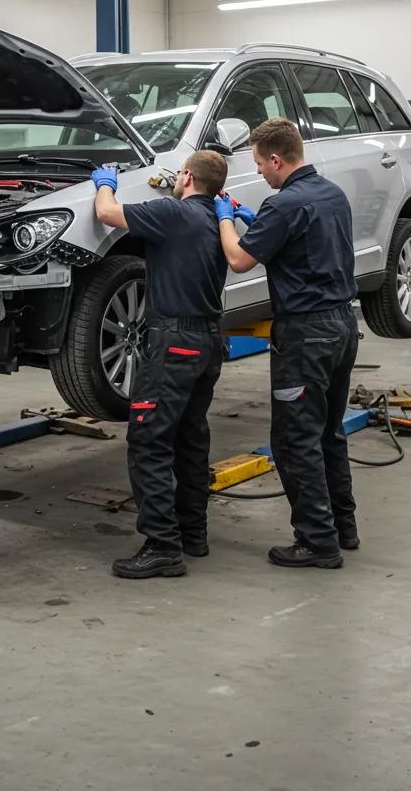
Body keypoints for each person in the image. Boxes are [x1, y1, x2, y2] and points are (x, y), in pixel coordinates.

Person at [216, 117, 359, 570]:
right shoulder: (331, 194)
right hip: (341, 328)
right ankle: (343, 528)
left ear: (276, 159)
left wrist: (225, 220)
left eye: (260, 164)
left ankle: (317, 542)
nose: (259, 171)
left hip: (305, 337)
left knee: (296, 440)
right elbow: (303, 239)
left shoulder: (283, 205)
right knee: (329, 432)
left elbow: (239, 260)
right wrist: (252, 219)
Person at [92, 151, 229, 579]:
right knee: (190, 437)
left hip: (174, 342)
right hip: (207, 342)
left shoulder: (174, 212)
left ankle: (162, 546)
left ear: (187, 176)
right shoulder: (216, 220)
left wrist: (105, 182)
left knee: (148, 441)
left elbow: (106, 213)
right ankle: (193, 534)